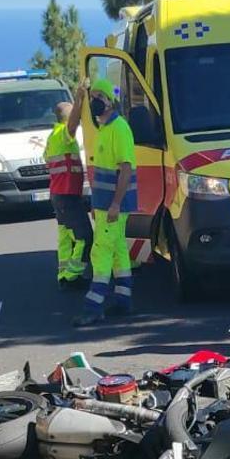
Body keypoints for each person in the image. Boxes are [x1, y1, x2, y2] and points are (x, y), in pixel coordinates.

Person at [72, 79, 137, 327]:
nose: (96, 100)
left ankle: (93, 307)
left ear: (111, 101)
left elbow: (126, 169)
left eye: (100, 96)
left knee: (100, 252)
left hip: (113, 205)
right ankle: (123, 300)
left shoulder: (118, 129)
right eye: (93, 96)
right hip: (105, 204)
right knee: (119, 250)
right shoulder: (104, 129)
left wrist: (115, 204)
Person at [45, 86, 92, 290]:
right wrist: (80, 98)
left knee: (66, 237)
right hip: (66, 196)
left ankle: (64, 274)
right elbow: (72, 125)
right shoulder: (63, 134)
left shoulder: (52, 137)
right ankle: (73, 275)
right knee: (85, 237)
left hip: (60, 195)